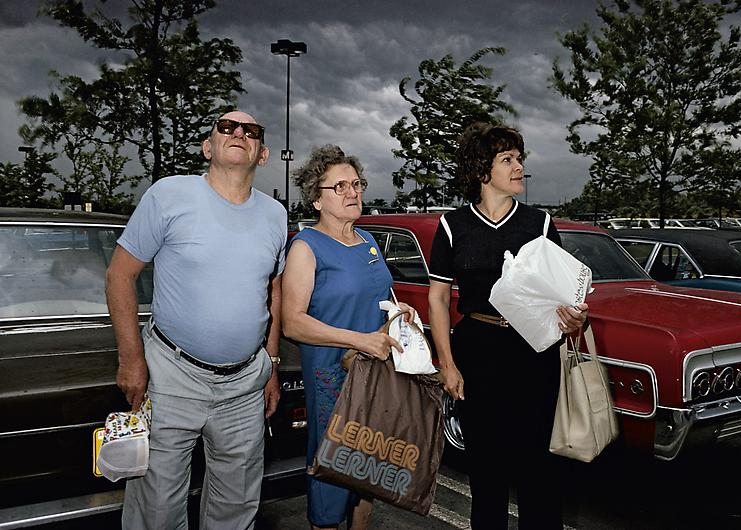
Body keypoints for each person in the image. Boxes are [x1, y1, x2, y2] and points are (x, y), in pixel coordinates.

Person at [105, 110, 286, 530]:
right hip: (171, 378)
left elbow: (273, 291)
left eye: (251, 131)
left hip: (245, 386)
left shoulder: (275, 215)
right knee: (157, 512)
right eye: (226, 127)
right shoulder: (169, 195)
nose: (239, 133)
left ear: (262, 154)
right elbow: (120, 275)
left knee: (236, 509)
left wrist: (272, 365)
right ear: (209, 147)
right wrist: (131, 361)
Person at [427, 122, 588, 529]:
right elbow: (439, 298)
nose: (519, 167)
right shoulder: (452, 226)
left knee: (539, 469)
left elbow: (565, 294)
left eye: (519, 159)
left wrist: (575, 318)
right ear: (483, 170)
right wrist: (447, 364)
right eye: (508, 160)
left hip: (533, 352)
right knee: (487, 471)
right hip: (477, 352)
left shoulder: (540, 223)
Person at [281, 144, 415, 530]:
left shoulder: (369, 241)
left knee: (367, 470)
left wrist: (400, 313)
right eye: (339, 187)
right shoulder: (307, 248)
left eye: (356, 184)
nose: (353, 192)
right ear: (316, 199)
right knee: (333, 470)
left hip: (375, 375)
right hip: (332, 377)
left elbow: (380, 299)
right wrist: (359, 340)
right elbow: (293, 323)